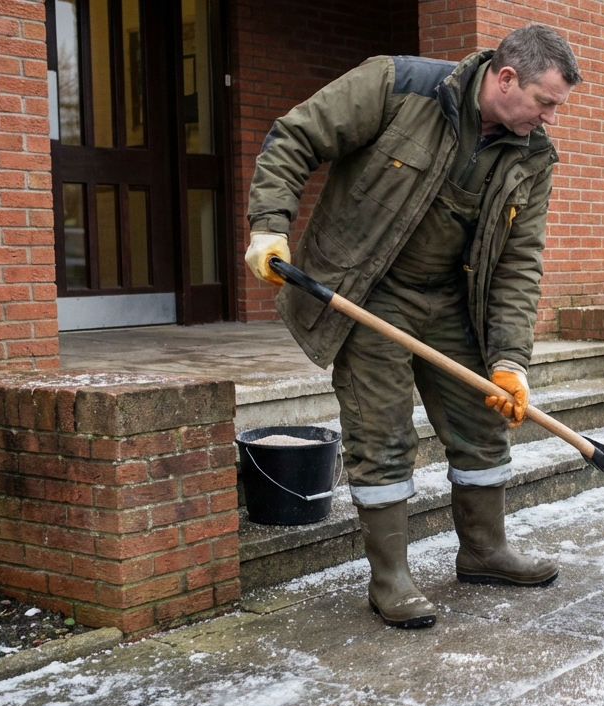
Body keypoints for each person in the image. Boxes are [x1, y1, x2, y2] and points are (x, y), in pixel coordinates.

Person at [243, 25, 581, 629]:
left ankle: (484, 550)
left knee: (483, 423)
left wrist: (508, 359)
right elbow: (296, 135)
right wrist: (269, 224)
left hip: (454, 303)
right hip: (368, 291)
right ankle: (390, 579)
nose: (550, 117)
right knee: (384, 434)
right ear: (506, 79)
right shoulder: (397, 86)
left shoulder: (533, 158)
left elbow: (517, 264)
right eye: (546, 101)